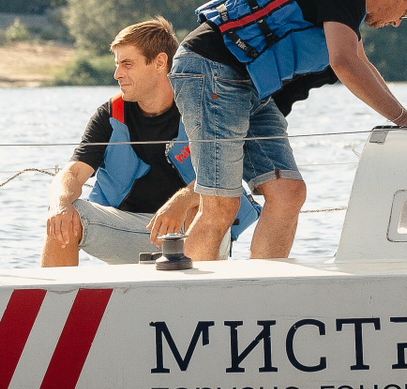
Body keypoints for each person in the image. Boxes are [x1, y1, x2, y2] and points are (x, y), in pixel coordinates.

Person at [171, 0, 407, 261]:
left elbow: (362, 62)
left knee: (288, 192)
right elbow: (344, 62)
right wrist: (402, 118)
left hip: (249, 83)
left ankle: (264, 283)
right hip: (211, 69)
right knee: (221, 205)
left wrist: (406, 117)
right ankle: (191, 288)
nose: (398, 22)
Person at [43, 17, 260, 266]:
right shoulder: (110, 115)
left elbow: (223, 176)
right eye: (117, 65)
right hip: (133, 231)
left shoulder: (202, 108)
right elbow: (72, 173)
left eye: (127, 64)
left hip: (196, 229)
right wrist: (60, 204)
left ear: (159, 62)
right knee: (64, 217)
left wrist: (181, 201)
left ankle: (193, 290)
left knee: (197, 207)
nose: (117, 74)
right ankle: (55, 292)